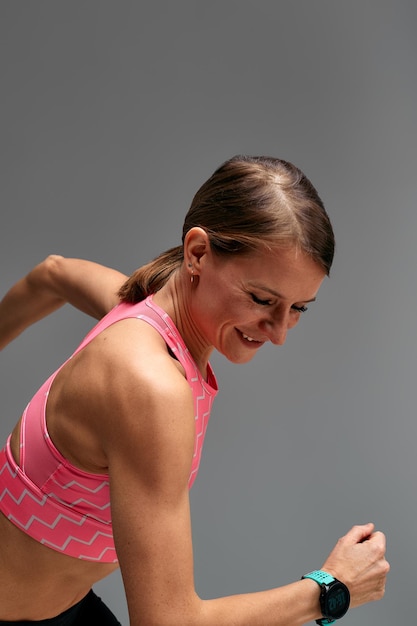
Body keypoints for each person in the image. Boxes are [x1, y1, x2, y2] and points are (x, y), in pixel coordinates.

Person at [0, 155, 389, 625]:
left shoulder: (139, 305)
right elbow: (169, 621)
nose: (280, 332)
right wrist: (331, 588)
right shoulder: (149, 385)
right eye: (263, 300)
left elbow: (53, 273)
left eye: (299, 308)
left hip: (59, 609)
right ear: (198, 253)